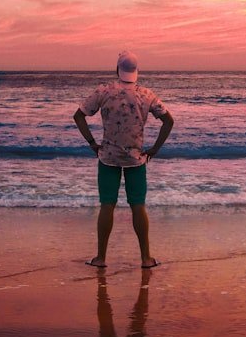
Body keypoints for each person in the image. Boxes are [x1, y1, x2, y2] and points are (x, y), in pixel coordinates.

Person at [73, 51, 174, 268]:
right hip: (136, 159)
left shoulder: (105, 90)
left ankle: (101, 258)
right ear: (136, 72)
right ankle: (146, 258)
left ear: (117, 69)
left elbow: (79, 115)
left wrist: (92, 143)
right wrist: (155, 149)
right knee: (138, 206)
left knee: (107, 205)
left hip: (108, 157)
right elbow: (168, 121)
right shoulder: (146, 95)